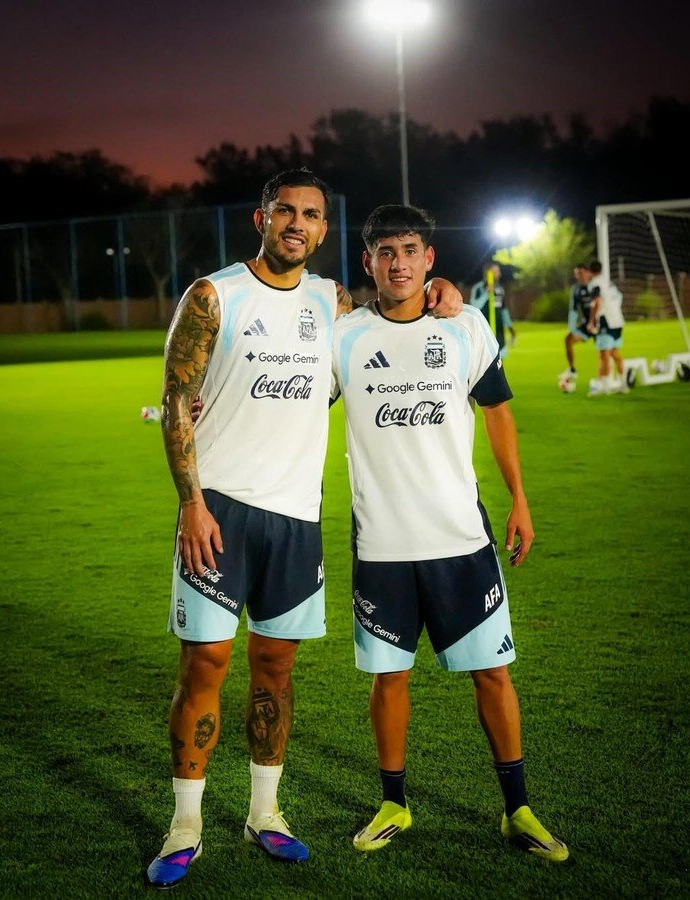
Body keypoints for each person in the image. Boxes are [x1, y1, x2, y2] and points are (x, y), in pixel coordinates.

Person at [146, 169, 463, 889]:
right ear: (261, 218)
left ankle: (266, 813)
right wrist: (191, 501)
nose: (297, 222)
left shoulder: (335, 305)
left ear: (325, 230)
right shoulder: (213, 295)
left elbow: (400, 313)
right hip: (218, 513)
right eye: (284, 210)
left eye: (311, 214)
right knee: (204, 666)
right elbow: (175, 400)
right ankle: (185, 824)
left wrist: (449, 294)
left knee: (276, 671)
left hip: (296, 519)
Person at [331, 205, 568, 862]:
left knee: (493, 674)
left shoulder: (465, 328)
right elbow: (294, 404)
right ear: (368, 261)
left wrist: (519, 499)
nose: (399, 263)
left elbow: (497, 413)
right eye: (386, 251)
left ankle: (518, 809)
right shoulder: (342, 338)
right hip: (382, 546)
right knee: (389, 680)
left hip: (463, 540)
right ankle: (393, 803)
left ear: (430, 259)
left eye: (411, 250)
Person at [586, 260, 626, 395]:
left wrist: (591, 321)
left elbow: (596, 302)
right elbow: (619, 297)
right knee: (615, 354)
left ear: (590, 271)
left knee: (604, 355)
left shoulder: (595, 283)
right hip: (618, 321)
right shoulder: (609, 282)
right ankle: (623, 384)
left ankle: (606, 387)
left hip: (606, 321)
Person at [469, 262, 516, 358]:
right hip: (483, 332)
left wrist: (510, 328)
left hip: (499, 333)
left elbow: (503, 310)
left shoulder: (499, 289)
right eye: (497, 271)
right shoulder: (478, 288)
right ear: (489, 273)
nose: (499, 274)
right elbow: (474, 306)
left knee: (500, 362)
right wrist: (486, 293)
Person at [559, 263, 594, 383]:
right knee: (568, 339)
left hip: (601, 324)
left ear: (588, 273)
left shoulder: (596, 285)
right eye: (577, 274)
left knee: (607, 352)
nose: (579, 276)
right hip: (587, 325)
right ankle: (572, 370)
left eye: (581, 273)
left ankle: (610, 377)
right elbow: (573, 309)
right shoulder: (576, 289)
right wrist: (571, 328)